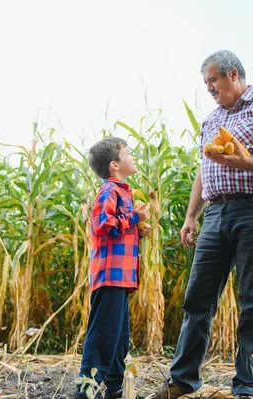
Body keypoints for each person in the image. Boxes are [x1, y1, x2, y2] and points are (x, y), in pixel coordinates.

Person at [152, 50, 253, 399]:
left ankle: (248, 387)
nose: (209, 89)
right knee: (197, 300)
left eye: (212, 81)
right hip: (215, 215)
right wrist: (192, 216)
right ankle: (182, 381)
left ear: (232, 74)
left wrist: (244, 161)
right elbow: (204, 172)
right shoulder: (211, 120)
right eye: (206, 84)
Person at [75, 137, 151, 399]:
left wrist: (138, 229)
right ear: (114, 165)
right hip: (110, 276)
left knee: (118, 337)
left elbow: (117, 230)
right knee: (103, 336)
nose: (133, 158)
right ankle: (85, 391)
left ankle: (115, 389)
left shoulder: (122, 190)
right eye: (129, 153)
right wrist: (134, 217)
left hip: (121, 277)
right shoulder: (109, 190)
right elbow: (101, 225)